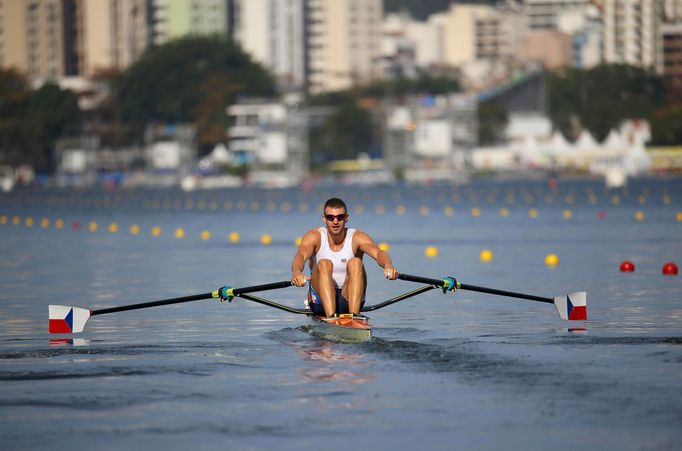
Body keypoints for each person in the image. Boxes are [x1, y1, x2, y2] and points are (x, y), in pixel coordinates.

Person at [291, 197, 399, 318]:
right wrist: (296, 272)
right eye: (330, 217)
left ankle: (354, 318)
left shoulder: (357, 237)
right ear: (324, 219)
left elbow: (379, 253)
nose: (335, 221)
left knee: (356, 262)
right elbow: (300, 255)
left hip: (348, 296)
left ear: (346, 218)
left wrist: (388, 265)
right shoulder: (314, 237)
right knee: (324, 263)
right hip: (320, 300)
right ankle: (332, 318)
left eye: (340, 217)